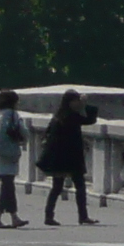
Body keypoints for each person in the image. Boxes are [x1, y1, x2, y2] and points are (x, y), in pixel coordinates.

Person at [37, 90, 92, 224]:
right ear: (70, 102)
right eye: (76, 101)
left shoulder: (58, 116)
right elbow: (89, 120)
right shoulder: (71, 116)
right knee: (79, 186)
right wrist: (85, 105)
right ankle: (82, 216)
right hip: (71, 157)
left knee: (57, 187)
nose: (78, 103)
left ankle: (48, 216)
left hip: (59, 157)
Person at [0, 89, 28, 228]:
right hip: (10, 154)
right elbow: (24, 132)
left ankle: (13, 216)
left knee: (7, 186)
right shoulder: (14, 115)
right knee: (7, 187)